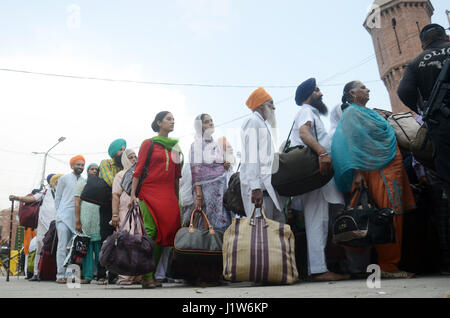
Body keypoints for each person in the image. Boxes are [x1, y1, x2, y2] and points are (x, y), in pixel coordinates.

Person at [332, 80, 417, 279]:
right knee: (389, 214)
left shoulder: (369, 112)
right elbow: (354, 143)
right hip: (376, 169)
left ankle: (391, 263)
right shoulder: (352, 113)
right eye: (362, 87)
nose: (368, 89)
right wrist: (359, 172)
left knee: (396, 213)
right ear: (352, 93)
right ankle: (388, 265)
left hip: (390, 166)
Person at [397, 23, 450, 274]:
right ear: (445, 35)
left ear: (422, 43)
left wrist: (425, 112)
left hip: (442, 130)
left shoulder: (417, 62)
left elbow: (404, 91)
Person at [289, 78, 349, 282]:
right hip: (315, 175)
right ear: (308, 95)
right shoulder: (306, 110)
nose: (321, 93)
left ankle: (324, 265)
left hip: (320, 177)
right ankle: (318, 270)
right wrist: (323, 153)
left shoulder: (311, 113)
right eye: (316, 90)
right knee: (318, 221)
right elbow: (304, 132)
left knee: (325, 221)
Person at [130, 111, 183, 289]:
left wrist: (177, 199)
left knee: (166, 234)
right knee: (151, 231)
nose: (172, 121)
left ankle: (150, 274)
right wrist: (132, 195)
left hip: (168, 195)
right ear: (159, 123)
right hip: (149, 192)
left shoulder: (176, 148)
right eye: (168, 119)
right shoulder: (149, 144)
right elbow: (138, 170)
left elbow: (177, 176)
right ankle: (146, 276)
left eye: (173, 119)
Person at [240, 87, 285, 223]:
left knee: (272, 232)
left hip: (265, 191)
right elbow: (251, 156)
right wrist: (255, 187)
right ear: (261, 105)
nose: (274, 107)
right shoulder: (253, 121)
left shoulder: (261, 123)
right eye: (271, 103)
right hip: (258, 192)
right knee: (259, 237)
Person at [9, 173, 60, 281]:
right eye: (57, 181)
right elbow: (31, 199)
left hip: (57, 227)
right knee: (39, 248)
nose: (59, 183)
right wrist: (17, 198)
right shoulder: (45, 193)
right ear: (53, 183)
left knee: (58, 250)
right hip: (43, 226)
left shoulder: (65, 194)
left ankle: (55, 273)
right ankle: (37, 273)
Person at [189, 114, 231, 233]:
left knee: (224, 221)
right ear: (200, 127)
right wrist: (198, 195)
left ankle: (221, 250)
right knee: (207, 223)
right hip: (207, 193)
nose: (211, 123)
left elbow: (218, 164)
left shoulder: (216, 145)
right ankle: (208, 251)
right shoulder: (196, 145)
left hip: (221, 191)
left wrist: (224, 165)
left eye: (211, 120)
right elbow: (196, 172)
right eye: (207, 122)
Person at [97, 138, 127, 285]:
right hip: (107, 207)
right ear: (114, 152)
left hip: (121, 206)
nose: (123, 152)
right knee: (105, 239)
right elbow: (110, 181)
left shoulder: (125, 165)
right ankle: (101, 274)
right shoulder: (105, 163)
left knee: (118, 240)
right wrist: (125, 177)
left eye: (124, 149)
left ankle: (114, 275)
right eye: (120, 150)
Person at [111, 149, 143, 285]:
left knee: (139, 242)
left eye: (136, 156)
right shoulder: (120, 175)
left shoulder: (140, 174)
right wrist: (115, 215)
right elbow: (115, 195)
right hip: (125, 212)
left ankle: (137, 275)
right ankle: (125, 276)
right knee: (126, 242)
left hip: (139, 211)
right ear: (125, 159)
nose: (134, 159)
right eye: (130, 157)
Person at [54, 155, 85, 284]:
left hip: (77, 219)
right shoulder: (64, 179)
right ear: (72, 166)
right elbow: (58, 198)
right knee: (62, 246)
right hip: (63, 217)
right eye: (78, 164)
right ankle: (60, 275)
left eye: (82, 165)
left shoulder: (84, 181)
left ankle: (72, 275)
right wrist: (58, 215)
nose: (80, 167)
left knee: (75, 249)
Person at [74, 163, 101, 284]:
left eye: (96, 169)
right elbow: (77, 203)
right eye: (92, 169)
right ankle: (88, 276)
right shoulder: (82, 184)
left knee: (100, 249)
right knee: (87, 249)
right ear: (88, 171)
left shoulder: (102, 184)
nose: (94, 171)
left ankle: (101, 275)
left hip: (99, 220)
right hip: (85, 219)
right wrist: (78, 221)